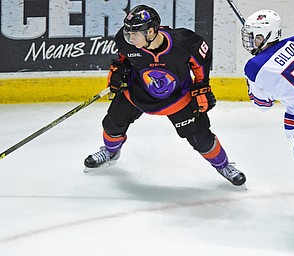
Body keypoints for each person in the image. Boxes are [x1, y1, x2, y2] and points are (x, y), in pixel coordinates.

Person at [83, 5, 246, 186]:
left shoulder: (184, 42)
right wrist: (118, 70)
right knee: (112, 124)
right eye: (128, 33)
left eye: (134, 34)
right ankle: (110, 151)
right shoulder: (125, 40)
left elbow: (201, 65)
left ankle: (224, 166)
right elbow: (124, 58)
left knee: (202, 139)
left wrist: (202, 86)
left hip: (178, 98)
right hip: (137, 92)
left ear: (151, 31)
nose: (130, 37)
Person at [242, 10, 294, 180]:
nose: (250, 41)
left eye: (253, 36)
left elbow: (262, 105)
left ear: (265, 36)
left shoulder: (255, 66)